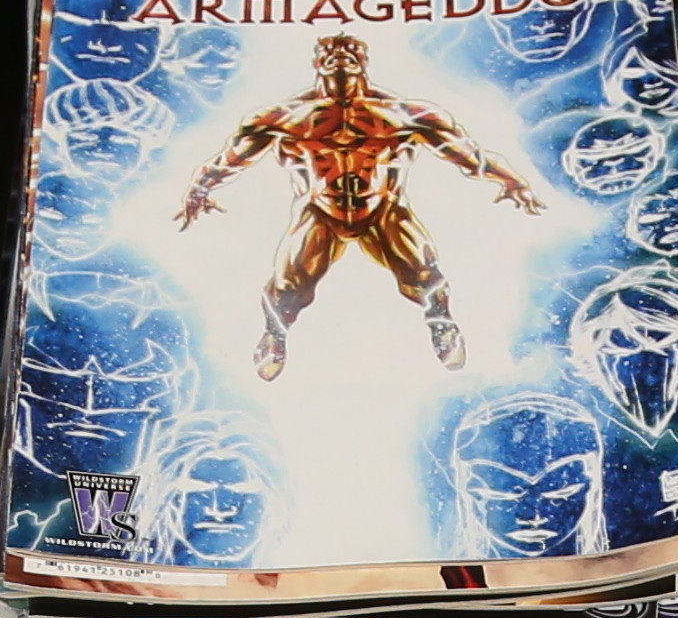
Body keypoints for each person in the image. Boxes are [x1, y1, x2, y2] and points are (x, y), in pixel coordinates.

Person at [175, 30, 541, 377]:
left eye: (351, 52)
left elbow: (472, 157)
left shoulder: (407, 115)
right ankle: (275, 335)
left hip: (383, 211)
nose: (341, 56)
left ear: (364, 61)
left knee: (424, 274)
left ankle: (441, 324)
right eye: (331, 52)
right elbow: (229, 161)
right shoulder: (281, 119)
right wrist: (199, 188)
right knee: (288, 285)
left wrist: (512, 181)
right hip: (320, 212)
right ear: (317, 62)